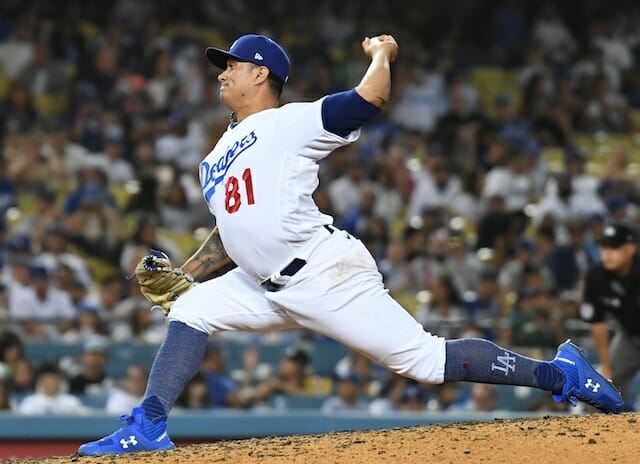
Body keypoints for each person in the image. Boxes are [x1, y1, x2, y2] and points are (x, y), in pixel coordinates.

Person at [78, 33, 623, 456]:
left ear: (260, 73)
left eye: (233, 65)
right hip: (261, 284)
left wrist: (381, 54)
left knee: (425, 360)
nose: (223, 72)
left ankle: (563, 374)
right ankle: (148, 427)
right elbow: (232, 228)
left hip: (322, 272)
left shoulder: (289, 122)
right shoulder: (214, 156)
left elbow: (370, 98)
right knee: (191, 308)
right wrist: (190, 273)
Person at [579, 221, 640, 410]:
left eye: (614, 247)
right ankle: (587, 428)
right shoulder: (597, 276)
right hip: (629, 339)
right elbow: (598, 323)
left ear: (630, 249)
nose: (607, 253)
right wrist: (606, 365)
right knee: (601, 388)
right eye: (604, 247)